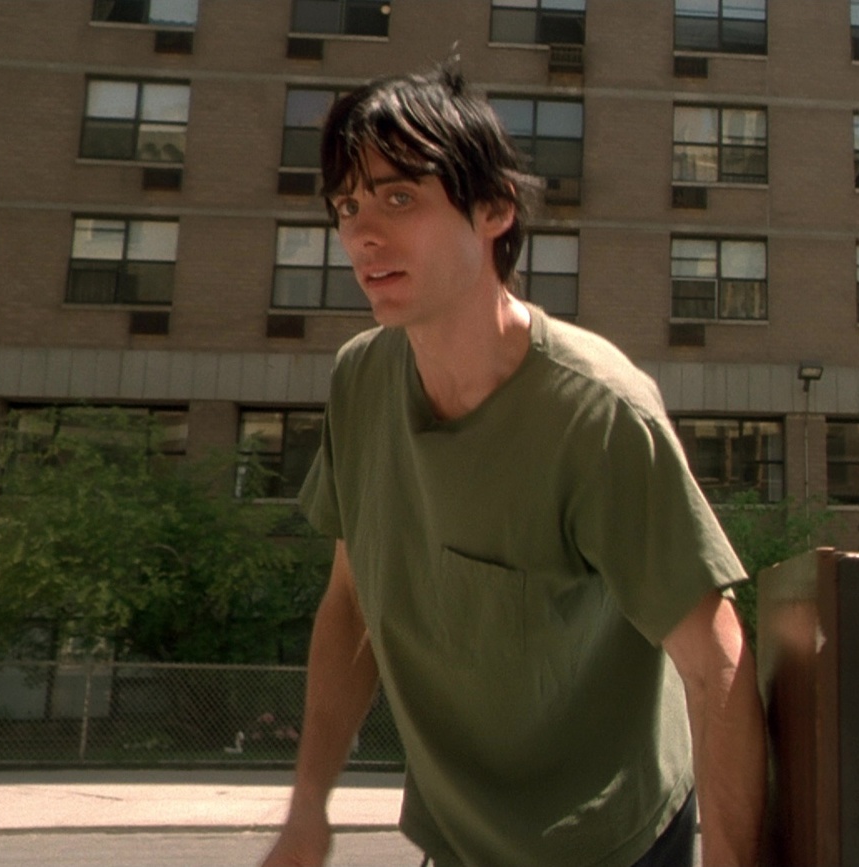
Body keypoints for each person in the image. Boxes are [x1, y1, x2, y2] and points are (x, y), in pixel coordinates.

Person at [261, 63, 765, 867]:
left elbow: (718, 661)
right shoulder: (360, 379)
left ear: (493, 210)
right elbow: (352, 603)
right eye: (347, 206)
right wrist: (306, 811)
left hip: (612, 841)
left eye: (398, 198)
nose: (361, 233)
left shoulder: (597, 412)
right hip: (459, 839)